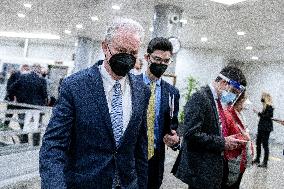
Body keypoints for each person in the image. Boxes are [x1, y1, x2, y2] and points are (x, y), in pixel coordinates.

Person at [39, 18, 149, 189]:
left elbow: (140, 146)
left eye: (133, 53)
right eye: (120, 50)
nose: (127, 57)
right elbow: (54, 145)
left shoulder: (142, 90)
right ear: (105, 47)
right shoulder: (75, 86)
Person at [172, 66, 247, 189]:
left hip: (210, 169)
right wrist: (223, 142)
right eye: (234, 92)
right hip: (200, 170)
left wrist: (228, 139)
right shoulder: (200, 97)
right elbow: (191, 134)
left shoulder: (216, 100)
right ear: (223, 83)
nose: (233, 97)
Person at [136, 37, 180, 189]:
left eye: (166, 61)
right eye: (157, 59)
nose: (162, 64)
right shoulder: (131, 84)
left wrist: (176, 139)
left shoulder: (172, 92)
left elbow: (173, 124)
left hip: (156, 157)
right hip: (131, 156)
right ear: (147, 57)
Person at [223, 92, 254, 188]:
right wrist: (244, 137)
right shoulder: (228, 114)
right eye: (244, 101)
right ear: (239, 101)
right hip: (232, 161)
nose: (245, 105)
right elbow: (226, 136)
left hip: (240, 161)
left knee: (236, 184)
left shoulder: (240, 114)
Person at [252, 92, 274, 168]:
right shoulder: (265, 106)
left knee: (265, 145)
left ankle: (265, 162)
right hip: (261, 127)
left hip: (266, 128)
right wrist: (260, 113)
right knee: (258, 143)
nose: (261, 98)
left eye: (262, 97)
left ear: (265, 98)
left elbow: (268, 116)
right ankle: (257, 159)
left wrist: (258, 113)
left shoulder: (269, 106)